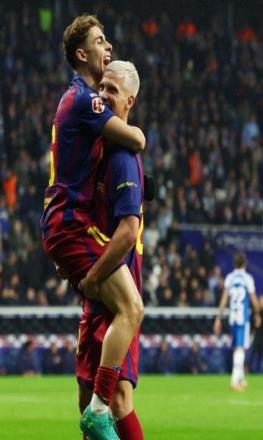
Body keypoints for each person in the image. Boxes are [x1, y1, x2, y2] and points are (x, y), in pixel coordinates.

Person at [39, 15, 146, 438]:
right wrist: (139, 135)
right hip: (71, 226)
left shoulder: (80, 106)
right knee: (131, 308)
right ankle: (98, 411)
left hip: (73, 230)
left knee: (108, 393)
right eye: (101, 41)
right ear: (82, 54)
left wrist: (87, 272)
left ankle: (97, 410)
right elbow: (136, 139)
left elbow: (127, 226)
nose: (108, 47)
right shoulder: (85, 100)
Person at [78, 60, 146, 440]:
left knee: (117, 399)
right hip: (99, 293)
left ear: (129, 102)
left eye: (113, 91)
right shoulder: (100, 150)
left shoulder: (121, 157)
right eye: (101, 87)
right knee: (86, 399)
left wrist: (92, 275)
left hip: (118, 296)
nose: (103, 95)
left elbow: (128, 232)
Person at [213, 252, 260, 391]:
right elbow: (253, 299)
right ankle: (234, 380)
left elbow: (224, 299)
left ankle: (241, 378)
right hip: (243, 318)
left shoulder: (229, 278)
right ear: (245, 263)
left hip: (232, 318)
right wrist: (257, 314)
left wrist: (218, 318)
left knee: (237, 348)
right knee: (240, 348)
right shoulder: (247, 278)